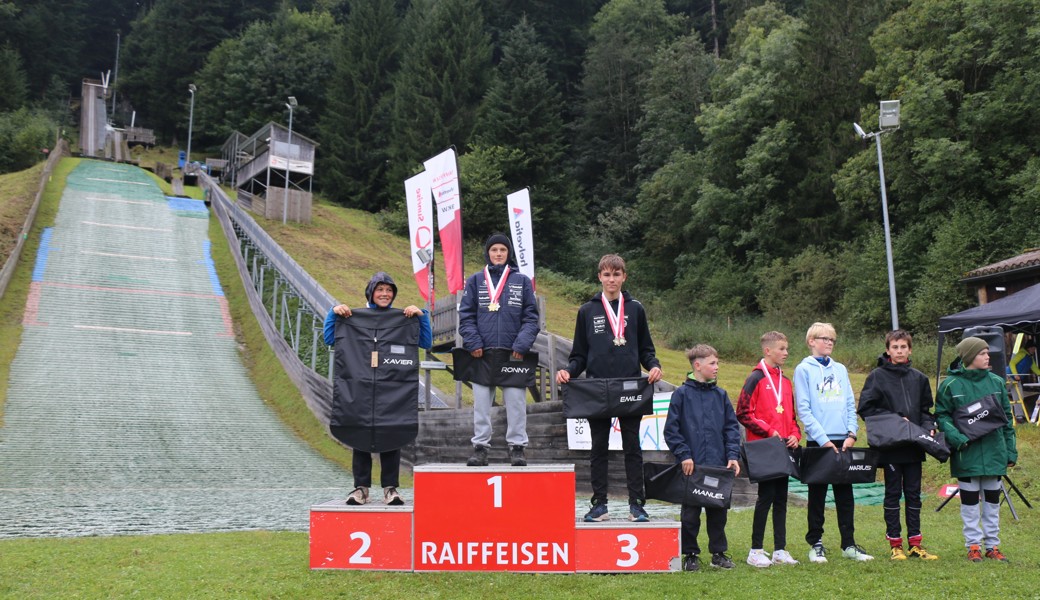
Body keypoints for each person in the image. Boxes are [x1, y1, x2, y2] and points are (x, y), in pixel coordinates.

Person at [555, 254, 663, 523]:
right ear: (599, 277)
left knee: (632, 447)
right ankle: (599, 504)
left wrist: (654, 365)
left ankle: (637, 505)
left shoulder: (635, 309)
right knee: (598, 448)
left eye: (616, 274)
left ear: (624, 277)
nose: (611, 279)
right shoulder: (587, 311)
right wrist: (568, 371)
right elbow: (579, 354)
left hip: (629, 388)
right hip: (598, 389)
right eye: (606, 274)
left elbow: (646, 349)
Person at [323, 272, 432, 506]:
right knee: (360, 437)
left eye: (389, 290)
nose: (385, 294)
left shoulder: (403, 318)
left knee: (392, 435)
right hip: (359, 390)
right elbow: (330, 338)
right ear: (371, 292)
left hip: (392, 391)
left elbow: (425, 342)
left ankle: (390, 489)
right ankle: (360, 489)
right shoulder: (353, 318)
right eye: (380, 290)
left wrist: (421, 317)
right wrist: (333, 313)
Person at [458, 233, 540, 467]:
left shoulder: (522, 281)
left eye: (503, 250)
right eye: (494, 250)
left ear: (508, 253)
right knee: (481, 405)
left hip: (512, 353)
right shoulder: (475, 280)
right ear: (488, 253)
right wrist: (473, 343)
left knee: (516, 403)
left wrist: (521, 345)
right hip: (481, 353)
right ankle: (480, 448)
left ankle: (517, 448)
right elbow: (466, 316)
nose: (498, 254)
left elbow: (531, 318)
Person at [794, 322, 873, 563]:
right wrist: (823, 440)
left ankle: (848, 544)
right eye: (824, 338)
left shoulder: (840, 369)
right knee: (817, 495)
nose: (829, 342)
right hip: (819, 442)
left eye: (832, 339)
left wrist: (852, 433)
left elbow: (849, 403)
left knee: (845, 496)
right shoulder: (803, 369)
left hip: (843, 440)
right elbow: (804, 410)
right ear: (812, 341)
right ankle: (816, 544)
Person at [857, 329, 939, 560]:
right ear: (888, 350)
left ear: (910, 350)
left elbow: (926, 411)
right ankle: (895, 544)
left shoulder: (919, 378)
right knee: (893, 493)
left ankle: (916, 544)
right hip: (891, 445)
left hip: (914, 445)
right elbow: (866, 409)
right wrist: (894, 420)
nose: (899, 351)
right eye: (895, 347)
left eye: (903, 347)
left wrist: (928, 426)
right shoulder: (877, 376)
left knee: (914, 494)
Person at [935, 337, 1018, 563]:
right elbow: (941, 416)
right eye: (983, 353)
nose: (988, 357)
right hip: (967, 453)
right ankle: (973, 546)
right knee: (970, 503)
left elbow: (1007, 419)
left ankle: (992, 546)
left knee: (992, 502)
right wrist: (958, 439)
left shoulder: (997, 382)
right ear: (970, 356)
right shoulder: (950, 385)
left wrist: (1010, 451)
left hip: (994, 451)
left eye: (987, 353)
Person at [664, 344, 741, 572]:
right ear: (697, 365)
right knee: (690, 514)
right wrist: (684, 455)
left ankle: (718, 553)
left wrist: (733, 456)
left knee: (718, 511)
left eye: (717, 363)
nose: (717, 367)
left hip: (718, 464)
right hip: (692, 466)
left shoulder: (721, 395)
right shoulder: (681, 394)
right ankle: (690, 554)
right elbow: (671, 430)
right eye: (712, 363)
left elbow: (731, 429)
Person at [736, 331, 801, 568]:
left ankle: (780, 550)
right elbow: (743, 412)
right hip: (763, 448)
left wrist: (794, 435)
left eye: (786, 348)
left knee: (781, 498)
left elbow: (791, 417)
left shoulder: (786, 381)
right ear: (767, 350)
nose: (786, 353)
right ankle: (755, 550)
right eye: (781, 349)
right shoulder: (755, 378)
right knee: (766, 497)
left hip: (783, 449)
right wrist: (768, 430)